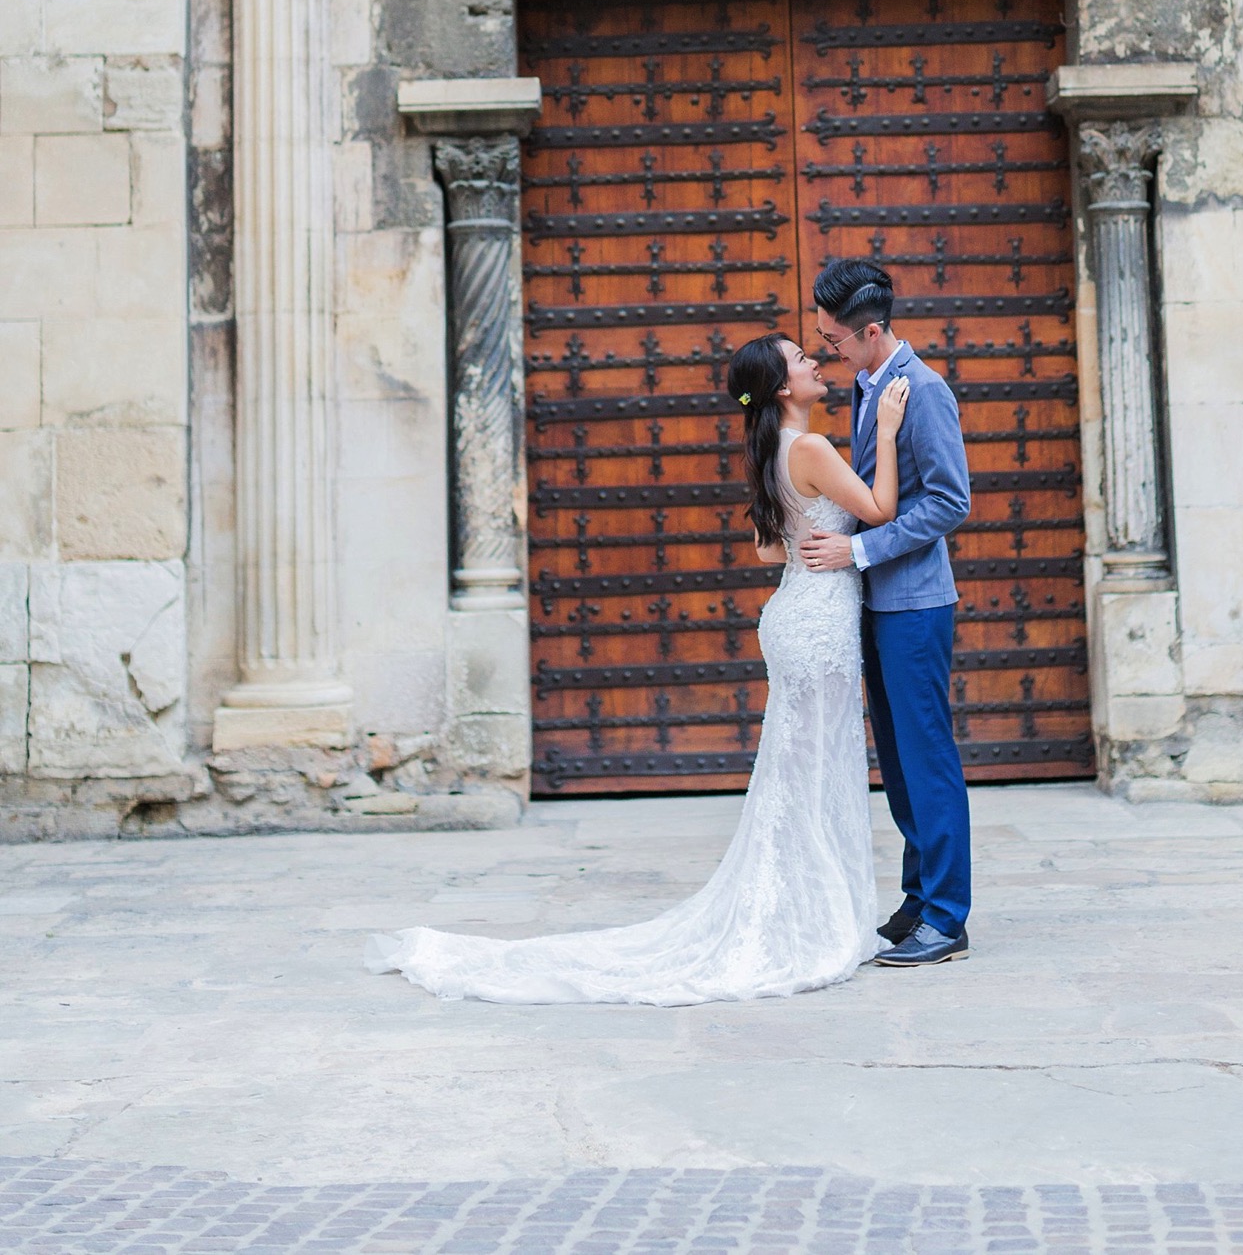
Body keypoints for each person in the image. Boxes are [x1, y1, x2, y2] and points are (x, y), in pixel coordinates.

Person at [364, 335, 909, 1007]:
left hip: (793, 612)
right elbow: (881, 511)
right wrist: (885, 430)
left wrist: (815, 545)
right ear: (779, 387)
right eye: (800, 360)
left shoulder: (770, 450)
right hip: (819, 622)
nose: (813, 365)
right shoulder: (813, 449)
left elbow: (771, 547)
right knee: (822, 771)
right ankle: (822, 918)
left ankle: (806, 910)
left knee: (797, 775)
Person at [801, 256, 973, 967]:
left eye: (834, 343)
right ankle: (918, 898)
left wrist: (861, 553)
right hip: (877, 604)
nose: (829, 354)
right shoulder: (871, 384)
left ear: (871, 331)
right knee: (899, 762)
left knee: (927, 757)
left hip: (915, 605)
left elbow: (948, 500)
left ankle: (948, 916)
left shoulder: (924, 391)